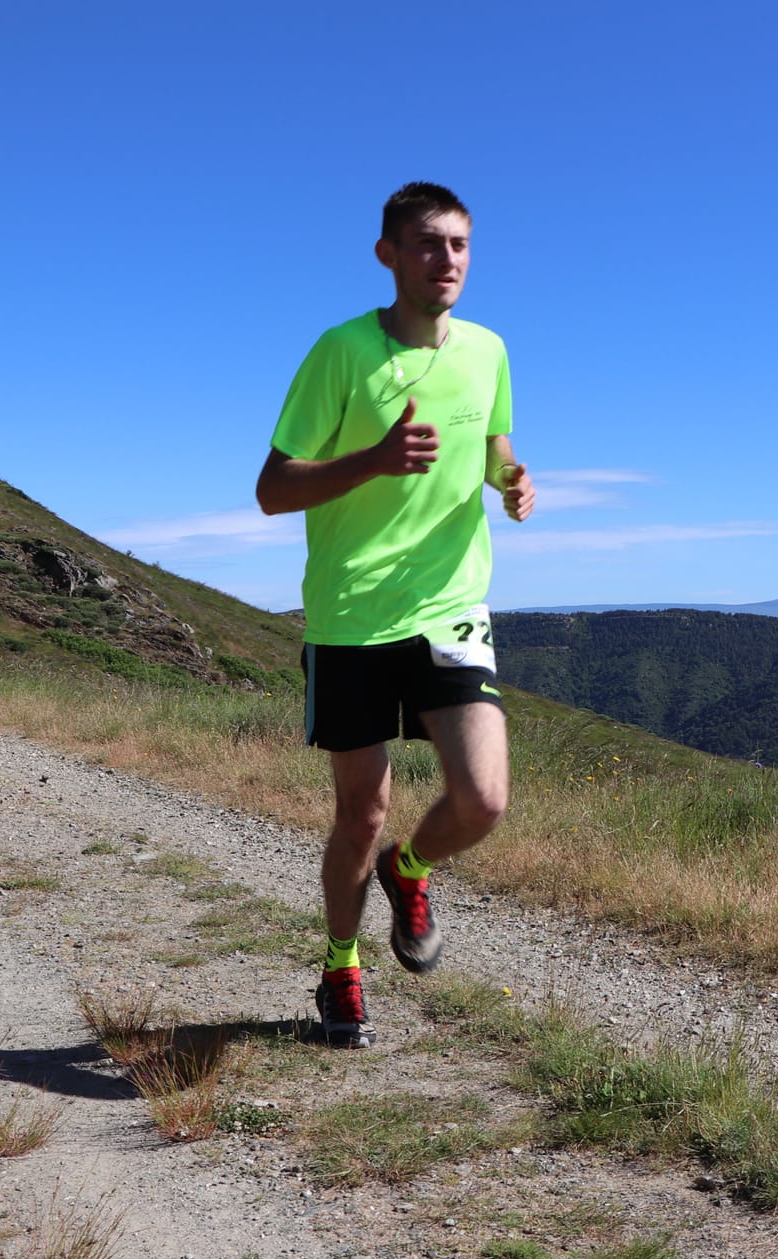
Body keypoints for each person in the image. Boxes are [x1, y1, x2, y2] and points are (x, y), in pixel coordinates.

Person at [255, 181, 535, 1048]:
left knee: (483, 799)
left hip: (450, 605)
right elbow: (273, 489)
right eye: (426, 243)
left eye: (458, 244)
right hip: (349, 616)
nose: (445, 259)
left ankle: (407, 870)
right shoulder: (341, 353)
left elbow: (493, 443)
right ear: (388, 254)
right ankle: (341, 968)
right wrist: (373, 459)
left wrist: (511, 478)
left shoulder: (487, 350)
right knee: (360, 811)